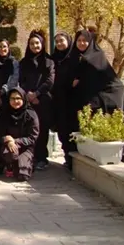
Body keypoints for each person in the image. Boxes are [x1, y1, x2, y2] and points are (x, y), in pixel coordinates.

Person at [70, 29, 124, 117]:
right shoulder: (75, 56)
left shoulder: (96, 56)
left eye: (84, 40)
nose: (81, 43)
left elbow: (93, 78)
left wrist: (79, 81)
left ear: (90, 42)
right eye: (79, 40)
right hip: (84, 99)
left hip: (103, 96)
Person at [19, 31, 55, 171]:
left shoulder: (49, 61)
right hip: (28, 100)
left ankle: (41, 158)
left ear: (42, 44)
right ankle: (29, 156)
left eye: (37, 43)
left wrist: (37, 94)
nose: (35, 46)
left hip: (43, 100)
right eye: (32, 43)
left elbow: (50, 80)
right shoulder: (24, 62)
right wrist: (28, 94)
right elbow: (21, 80)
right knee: (29, 129)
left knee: (42, 129)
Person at [0, 87, 39, 182]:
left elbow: (32, 137)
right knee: (10, 154)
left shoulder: (31, 115)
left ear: (23, 99)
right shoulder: (4, 114)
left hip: (25, 147)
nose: (15, 101)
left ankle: (23, 164)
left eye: (18, 98)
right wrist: (7, 140)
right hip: (8, 146)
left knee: (23, 176)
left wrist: (14, 141)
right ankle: (10, 165)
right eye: (12, 98)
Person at [50, 32, 75, 169]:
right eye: (57, 41)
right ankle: (67, 159)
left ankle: (74, 160)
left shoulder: (75, 57)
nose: (59, 43)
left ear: (68, 41)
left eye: (62, 40)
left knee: (73, 129)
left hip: (73, 100)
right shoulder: (53, 59)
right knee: (63, 130)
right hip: (59, 100)